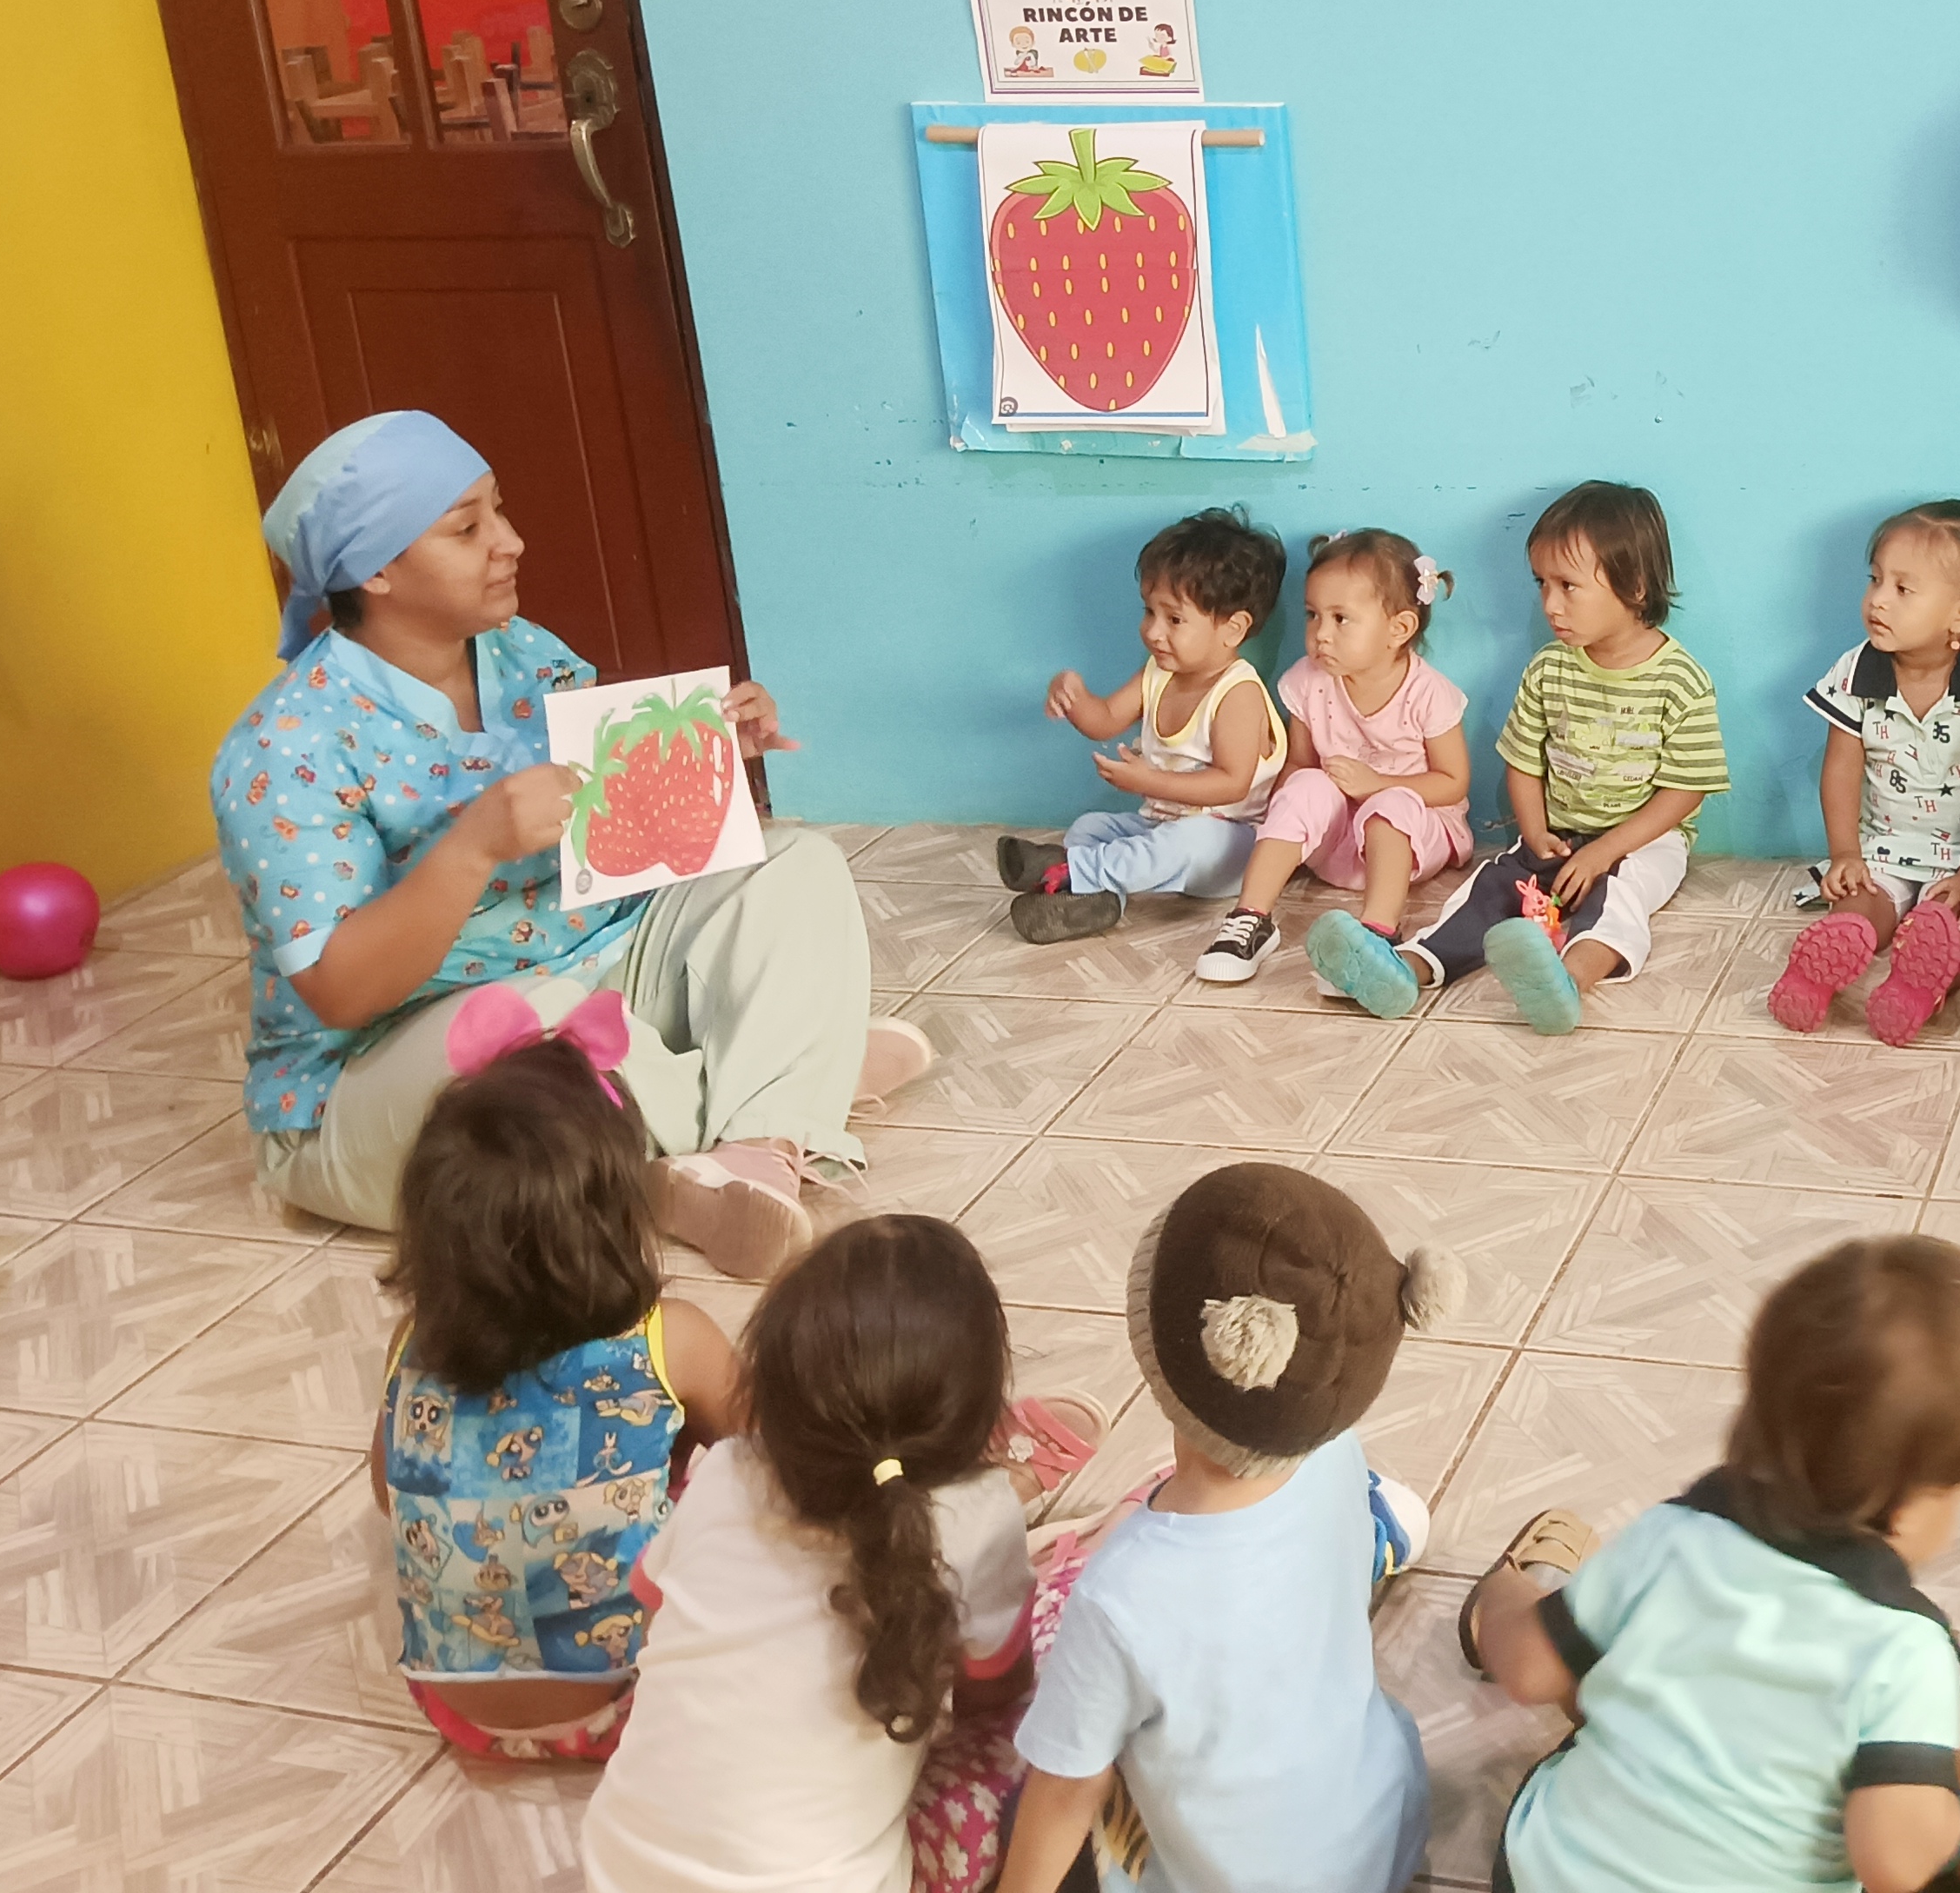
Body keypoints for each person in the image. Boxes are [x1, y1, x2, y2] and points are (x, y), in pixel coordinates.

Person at [211, 410, 902, 1281]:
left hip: (593, 976)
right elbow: (342, 993)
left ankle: (753, 1145)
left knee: (794, 864)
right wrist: (471, 848)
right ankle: (781, 1089)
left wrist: (705, 747)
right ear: (374, 570)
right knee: (517, 1026)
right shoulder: (286, 750)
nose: (510, 542)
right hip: (383, 1077)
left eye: (497, 510)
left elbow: (615, 812)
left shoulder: (515, 651)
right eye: (467, 528)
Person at [1468, 1235, 1960, 1893]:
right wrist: (1950, 1806)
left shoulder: (1671, 1537)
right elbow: (1894, 1862)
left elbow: (1528, 1670)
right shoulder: (1907, 1649)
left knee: (1596, 1674)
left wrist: (1500, 1595)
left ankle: (1562, 1604)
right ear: (1907, 1506)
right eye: (1958, 1491)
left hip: (1546, 1878)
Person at [581, 1214, 1100, 1893]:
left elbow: (653, 1616)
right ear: (973, 1414)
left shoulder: (729, 1468)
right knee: (1063, 1691)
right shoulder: (978, 1517)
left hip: (618, 1869)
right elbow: (995, 1691)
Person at [998, 1163, 1449, 1893]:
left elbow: (1065, 1791)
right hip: (1381, 1834)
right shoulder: (1336, 1449)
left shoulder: (1119, 1597)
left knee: (1021, 1785)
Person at [376, 1018, 742, 1763]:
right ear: (618, 1222)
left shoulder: (412, 1343)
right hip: (631, 1705)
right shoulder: (671, 1339)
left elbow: (389, 1493)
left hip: (454, 1707)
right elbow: (785, 1458)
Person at [1309, 482, 1728, 1033]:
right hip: (1557, 833)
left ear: (1635, 585)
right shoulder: (1549, 668)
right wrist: (1534, 833)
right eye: (1542, 584)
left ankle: (1567, 980)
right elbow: (1525, 762)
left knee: (1616, 899)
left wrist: (1604, 852)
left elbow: (1686, 789)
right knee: (1488, 890)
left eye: (1569, 586)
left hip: (1643, 842)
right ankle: (1406, 968)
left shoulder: (1680, 680)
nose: (1550, 604)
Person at [1769, 501, 1960, 1046]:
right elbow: (1840, 769)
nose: (1878, 599)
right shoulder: (1855, 669)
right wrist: (1845, 853)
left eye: (1903, 589)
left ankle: (1917, 986)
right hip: (1883, 844)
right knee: (1860, 903)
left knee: (1956, 923)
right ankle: (1824, 963)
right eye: (1875, 580)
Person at [1193, 529, 1471, 986]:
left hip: (1413, 840)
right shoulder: (1309, 680)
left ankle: (1376, 936)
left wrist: (1377, 784)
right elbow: (1298, 764)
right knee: (1305, 783)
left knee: (1392, 805)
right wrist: (1286, 825)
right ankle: (1251, 919)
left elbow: (1453, 782)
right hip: (1338, 842)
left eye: (1341, 619)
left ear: (1399, 629)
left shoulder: (1428, 693)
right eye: (1312, 615)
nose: (1320, 634)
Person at [1005, 510, 1289, 944]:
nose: (1153, 631)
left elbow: (1232, 784)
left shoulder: (1238, 693)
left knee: (1189, 839)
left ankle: (1071, 871)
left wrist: (1149, 780)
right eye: (1149, 611)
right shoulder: (1156, 674)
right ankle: (1095, 901)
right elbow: (1104, 720)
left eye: (1174, 619)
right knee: (1090, 828)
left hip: (1228, 844)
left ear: (1232, 629)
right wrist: (1074, 696)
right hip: (1159, 826)